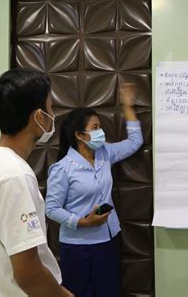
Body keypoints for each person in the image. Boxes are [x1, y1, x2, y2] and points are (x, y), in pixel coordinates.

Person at [0, 69, 72, 296]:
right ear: (38, 117)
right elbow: (27, 272)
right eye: (51, 107)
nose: (53, 115)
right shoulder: (13, 175)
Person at [45, 82, 143, 297]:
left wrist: (127, 106)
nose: (101, 132)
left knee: (109, 291)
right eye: (95, 128)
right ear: (80, 135)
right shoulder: (63, 169)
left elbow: (135, 142)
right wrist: (81, 222)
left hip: (108, 240)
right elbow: (51, 208)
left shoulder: (105, 153)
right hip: (78, 246)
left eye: (100, 126)